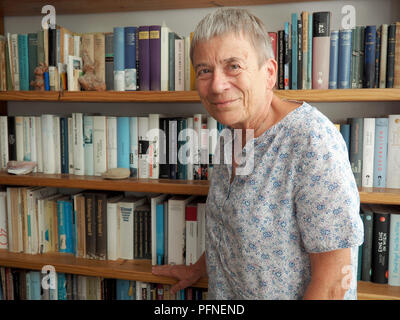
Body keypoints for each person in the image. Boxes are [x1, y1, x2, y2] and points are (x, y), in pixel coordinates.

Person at [152, 8, 364, 300]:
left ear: (269, 73)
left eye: (234, 66)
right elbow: (229, 226)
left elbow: (333, 285)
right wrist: (198, 268)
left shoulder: (311, 141)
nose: (216, 85)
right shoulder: (230, 133)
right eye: (204, 70)